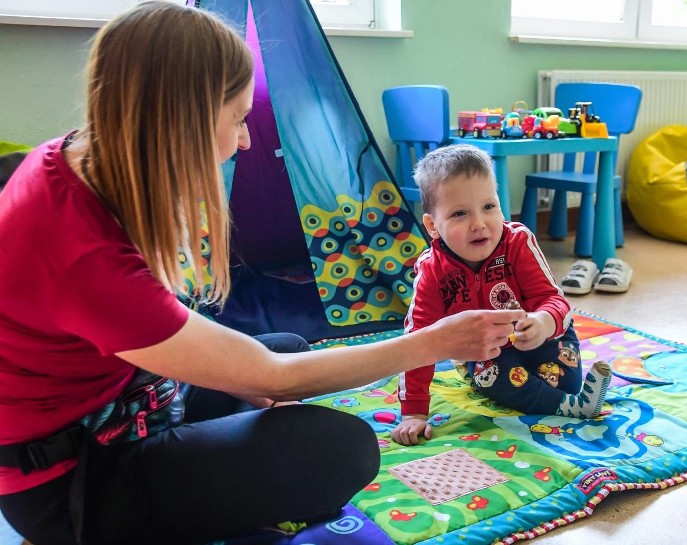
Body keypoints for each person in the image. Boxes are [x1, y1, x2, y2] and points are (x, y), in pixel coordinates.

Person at [0, 3, 525, 545]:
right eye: (237, 119)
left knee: (291, 348)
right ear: (183, 122)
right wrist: (432, 342)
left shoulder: (74, 157)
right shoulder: (79, 251)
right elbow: (269, 377)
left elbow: (253, 364)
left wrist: (256, 376)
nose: (245, 141)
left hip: (125, 402)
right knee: (338, 447)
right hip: (74, 482)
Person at [391, 144, 612, 446]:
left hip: (544, 332)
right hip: (487, 351)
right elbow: (417, 340)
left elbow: (555, 300)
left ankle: (567, 398)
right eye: (459, 213)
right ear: (433, 226)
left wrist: (543, 323)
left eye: (489, 207)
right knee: (493, 376)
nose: (479, 224)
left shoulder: (519, 241)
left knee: (567, 380)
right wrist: (413, 412)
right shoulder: (431, 269)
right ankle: (570, 407)